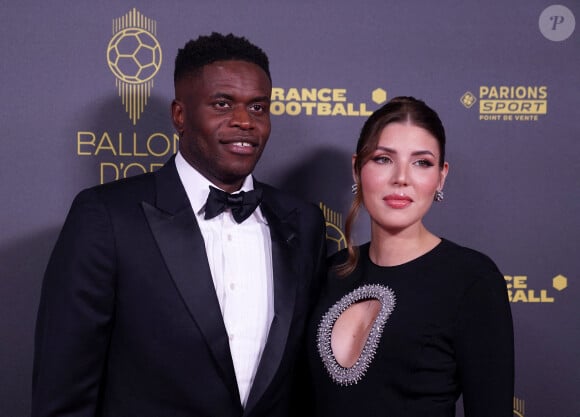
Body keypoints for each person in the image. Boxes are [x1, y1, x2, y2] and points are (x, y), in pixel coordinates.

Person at [32, 32, 326, 417]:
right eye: (222, 104)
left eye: (258, 107)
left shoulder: (302, 223)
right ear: (180, 115)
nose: (244, 121)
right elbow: (64, 391)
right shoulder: (106, 217)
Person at [306, 96, 514, 417]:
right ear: (357, 169)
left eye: (422, 162)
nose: (401, 177)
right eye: (383, 159)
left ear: (441, 177)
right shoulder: (330, 273)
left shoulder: (471, 279)